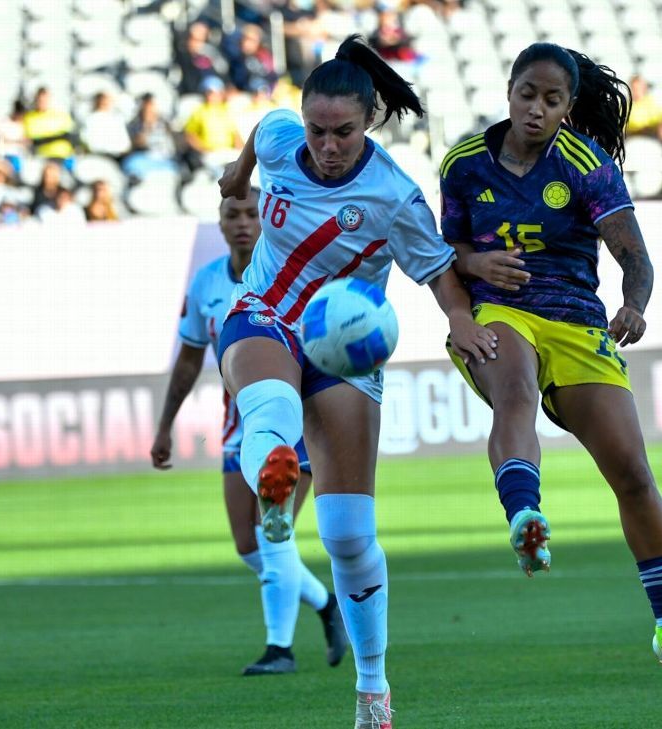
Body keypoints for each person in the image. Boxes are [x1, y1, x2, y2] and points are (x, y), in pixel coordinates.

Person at [215, 35, 496, 727]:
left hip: (345, 349)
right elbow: (261, 130)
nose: (327, 145)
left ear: (368, 120)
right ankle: (278, 472)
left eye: (343, 132)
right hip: (265, 313)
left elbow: (435, 268)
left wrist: (459, 319)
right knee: (268, 407)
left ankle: (373, 686)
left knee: (346, 533)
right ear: (302, 121)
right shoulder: (284, 140)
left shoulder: (393, 196)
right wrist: (237, 174)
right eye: (317, 130)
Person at [437, 41, 662, 694]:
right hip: (502, 311)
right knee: (516, 393)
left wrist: (633, 306)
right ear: (509, 91)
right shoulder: (465, 164)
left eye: (552, 99)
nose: (536, 108)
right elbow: (444, 253)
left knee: (634, 474)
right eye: (527, 93)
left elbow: (635, 258)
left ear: (567, 108)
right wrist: (474, 271)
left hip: (578, 321)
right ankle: (525, 516)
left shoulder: (587, 167)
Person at [150, 189, 348, 677]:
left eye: (249, 213)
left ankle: (279, 649)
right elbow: (190, 359)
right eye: (230, 214)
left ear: (268, 219)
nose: (241, 222)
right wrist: (164, 425)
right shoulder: (206, 284)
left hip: (293, 424)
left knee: (271, 534)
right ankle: (327, 604)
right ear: (219, 224)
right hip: (239, 429)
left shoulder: (297, 278)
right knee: (248, 546)